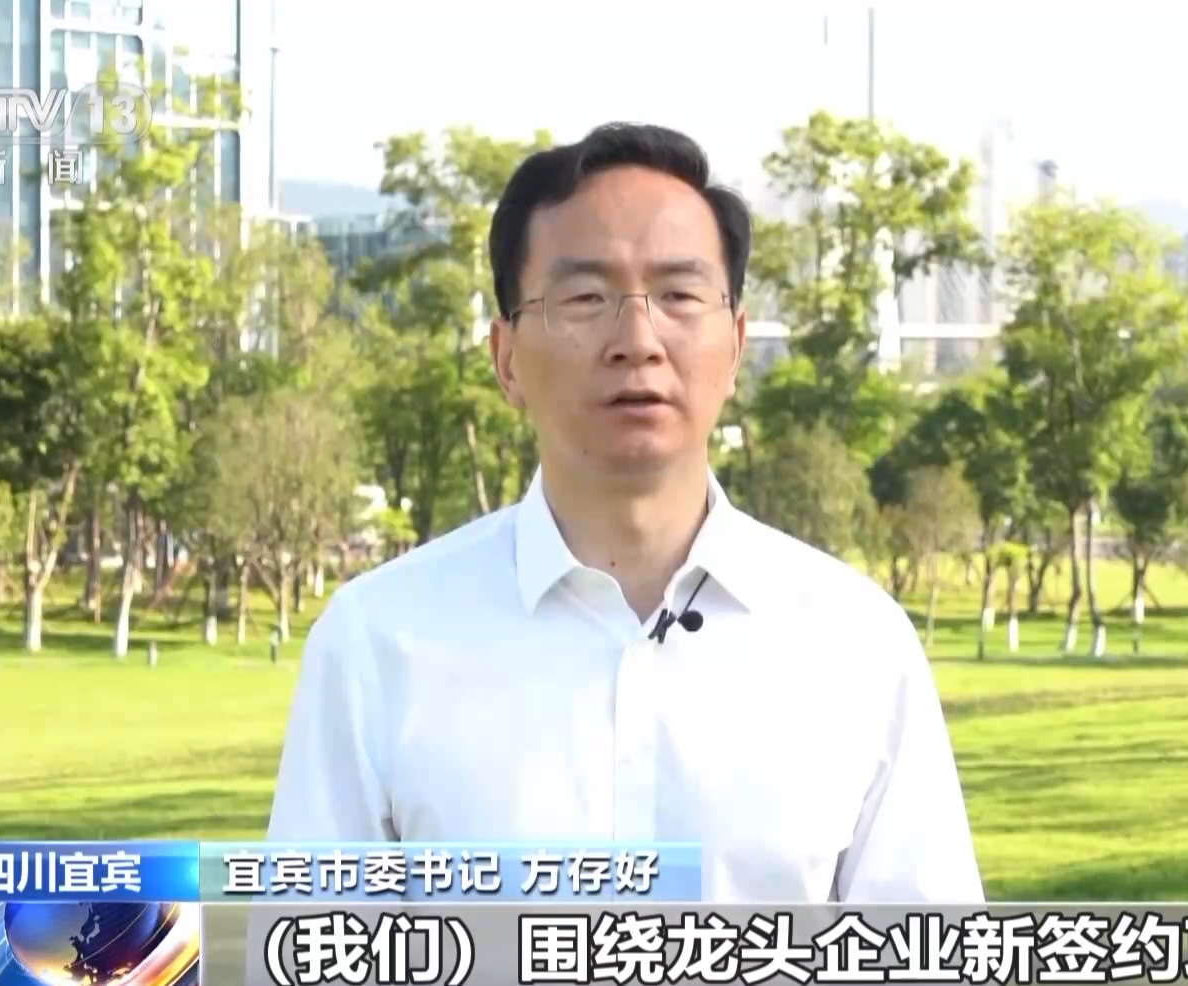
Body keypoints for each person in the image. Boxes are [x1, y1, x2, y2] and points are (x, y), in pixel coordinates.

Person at [265, 123, 982, 903]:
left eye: (679, 295)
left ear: (736, 345)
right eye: (585, 298)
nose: (637, 340)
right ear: (506, 358)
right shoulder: (377, 642)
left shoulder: (856, 645)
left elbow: (925, 948)